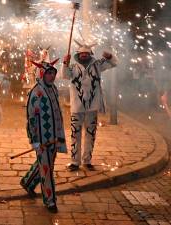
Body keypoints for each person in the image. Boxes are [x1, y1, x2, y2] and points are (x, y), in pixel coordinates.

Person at [61, 40, 117, 171]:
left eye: (86, 53)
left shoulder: (97, 65)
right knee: (75, 134)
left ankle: (87, 160)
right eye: (82, 54)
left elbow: (113, 63)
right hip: (76, 106)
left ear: (90, 54)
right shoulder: (73, 67)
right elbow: (64, 75)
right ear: (78, 55)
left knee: (90, 134)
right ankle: (75, 162)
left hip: (92, 106)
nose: (84, 55)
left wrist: (109, 56)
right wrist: (65, 63)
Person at [20, 58, 67, 213]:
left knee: (46, 164)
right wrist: (34, 140)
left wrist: (60, 134)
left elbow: (57, 113)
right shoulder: (36, 92)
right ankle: (50, 201)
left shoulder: (53, 89)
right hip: (42, 139)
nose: (52, 76)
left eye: (53, 73)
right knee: (46, 169)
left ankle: (27, 182)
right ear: (42, 74)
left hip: (53, 137)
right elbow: (31, 118)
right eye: (49, 74)